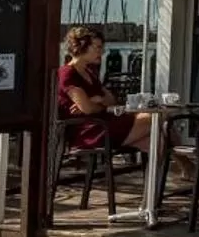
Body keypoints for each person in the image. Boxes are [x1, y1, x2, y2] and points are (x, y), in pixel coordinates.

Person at [56, 25, 153, 153]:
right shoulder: (67, 73)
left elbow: (111, 100)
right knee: (153, 119)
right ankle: (186, 168)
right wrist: (96, 104)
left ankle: (185, 169)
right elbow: (88, 108)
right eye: (98, 47)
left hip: (103, 124)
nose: (101, 52)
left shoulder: (89, 72)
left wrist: (97, 100)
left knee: (158, 137)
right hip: (89, 132)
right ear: (82, 46)